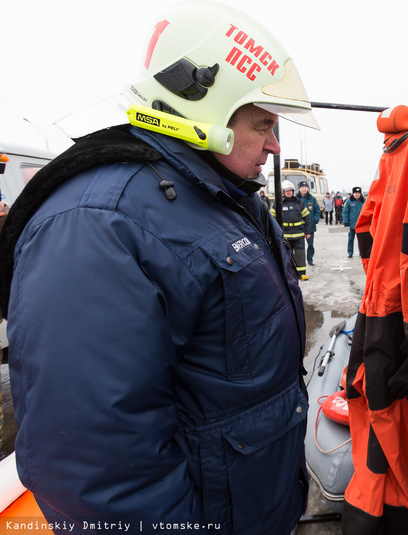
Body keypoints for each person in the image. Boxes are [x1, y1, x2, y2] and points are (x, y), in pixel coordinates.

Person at [0, 1, 318, 533]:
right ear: (207, 108)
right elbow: (96, 464)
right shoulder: (100, 222)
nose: (274, 143)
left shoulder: (227, 198)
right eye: (263, 122)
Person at [272, 180, 311, 280]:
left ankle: (301, 274)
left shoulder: (299, 202)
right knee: (285, 256)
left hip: (298, 234)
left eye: (290, 190)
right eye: (287, 190)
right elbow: (271, 218)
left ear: (293, 191)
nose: (289, 192)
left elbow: (306, 217)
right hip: (285, 235)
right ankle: (287, 275)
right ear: (283, 192)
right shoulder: (278, 203)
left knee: (300, 255)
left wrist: (308, 231)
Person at [296, 180, 320, 265]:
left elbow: (317, 210)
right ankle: (299, 260)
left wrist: (315, 220)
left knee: (310, 244)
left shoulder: (312, 199)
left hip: (310, 226)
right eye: (302, 187)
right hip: (298, 226)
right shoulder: (295, 199)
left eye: (306, 187)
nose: (304, 189)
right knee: (299, 246)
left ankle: (310, 259)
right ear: (299, 189)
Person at [342, 186, 365, 258]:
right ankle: (350, 252)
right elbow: (345, 212)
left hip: (361, 224)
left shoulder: (363, 201)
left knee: (361, 240)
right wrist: (345, 222)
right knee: (351, 239)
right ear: (353, 193)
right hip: (351, 224)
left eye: (358, 193)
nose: (357, 194)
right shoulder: (349, 201)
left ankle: (362, 252)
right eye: (355, 193)